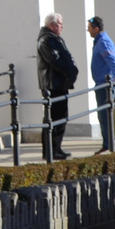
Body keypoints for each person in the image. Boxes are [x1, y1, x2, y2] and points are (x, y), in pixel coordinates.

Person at [35, 12, 77, 162]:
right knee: (53, 118)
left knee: (61, 117)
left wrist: (72, 71)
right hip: (53, 85)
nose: (62, 27)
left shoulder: (54, 38)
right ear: (52, 25)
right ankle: (50, 151)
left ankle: (57, 148)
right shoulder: (46, 40)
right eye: (60, 24)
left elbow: (65, 56)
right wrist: (68, 72)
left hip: (59, 83)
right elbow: (55, 60)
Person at [86, 17, 115, 153]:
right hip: (102, 84)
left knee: (105, 115)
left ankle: (108, 145)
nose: (87, 30)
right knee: (103, 115)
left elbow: (112, 60)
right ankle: (107, 143)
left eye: (89, 27)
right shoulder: (100, 41)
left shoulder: (103, 42)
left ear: (96, 28)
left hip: (105, 85)